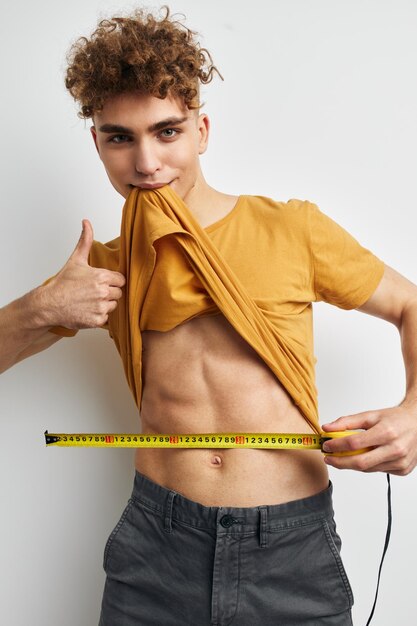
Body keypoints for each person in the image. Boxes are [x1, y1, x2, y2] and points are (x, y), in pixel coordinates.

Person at [2, 6, 417, 625]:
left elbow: (410, 304)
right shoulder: (103, 271)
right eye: (120, 137)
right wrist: (41, 307)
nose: (146, 163)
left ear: (202, 129)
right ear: (97, 142)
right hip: (155, 548)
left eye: (166, 131)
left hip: (291, 549)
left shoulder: (290, 229)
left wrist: (415, 412)